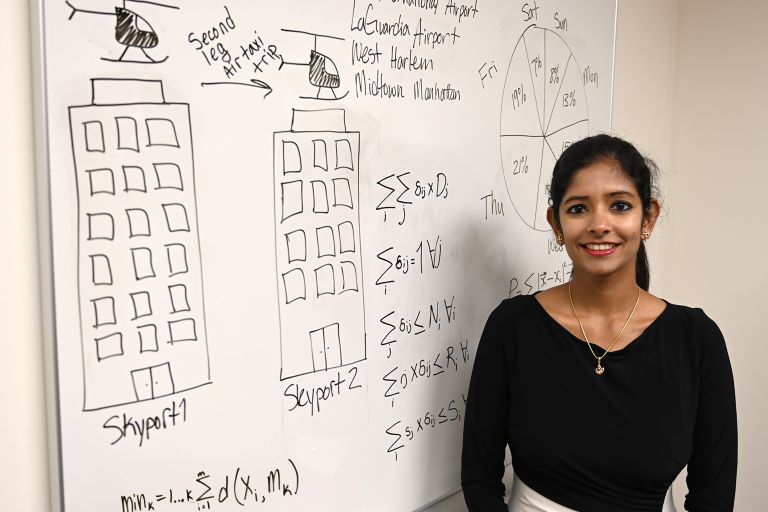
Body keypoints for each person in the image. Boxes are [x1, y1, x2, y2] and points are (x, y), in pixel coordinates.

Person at [461, 134, 737, 512]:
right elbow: (479, 477)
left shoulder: (696, 339)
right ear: (555, 224)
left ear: (648, 216)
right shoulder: (512, 327)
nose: (599, 224)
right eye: (578, 209)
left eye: (619, 206)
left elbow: (713, 497)